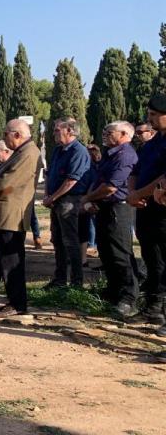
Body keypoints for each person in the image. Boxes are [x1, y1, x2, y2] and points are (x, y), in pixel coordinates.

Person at [0, 119, 41, 317]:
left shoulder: (29, 153)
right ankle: (13, 301)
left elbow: (7, 182)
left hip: (11, 215)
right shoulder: (22, 152)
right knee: (6, 259)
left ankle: (18, 303)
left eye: (6, 134)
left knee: (11, 260)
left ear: (16, 134)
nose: (4, 138)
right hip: (4, 214)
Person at [81, 122, 138, 318]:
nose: (104, 134)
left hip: (119, 208)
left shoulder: (126, 155)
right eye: (104, 131)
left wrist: (88, 198)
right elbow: (98, 181)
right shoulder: (109, 153)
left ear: (124, 134)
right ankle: (114, 291)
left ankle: (129, 297)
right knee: (106, 251)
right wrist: (91, 199)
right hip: (104, 207)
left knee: (121, 253)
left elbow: (112, 187)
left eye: (109, 132)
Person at [127, 95, 166, 329]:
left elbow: (164, 178)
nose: (149, 119)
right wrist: (133, 193)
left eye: (154, 115)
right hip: (145, 209)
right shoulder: (151, 144)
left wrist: (139, 193)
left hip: (162, 210)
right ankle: (153, 309)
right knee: (151, 259)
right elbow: (136, 170)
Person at [43, 118, 91, 288]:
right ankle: (60, 278)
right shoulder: (58, 150)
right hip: (56, 200)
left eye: (57, 130)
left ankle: (76, 281)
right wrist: (48, 194)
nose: (54, 133)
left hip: (70, 201)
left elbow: (72, 180)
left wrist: (53, 197)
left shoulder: (79, 151)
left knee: (70, 241)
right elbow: (50, 174)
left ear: (70, 131)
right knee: (57, 240)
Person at [78, 144, 102, 262]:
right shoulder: (89, 166)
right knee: (88, 225)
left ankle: (89, 249)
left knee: (88, 225)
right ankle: (91, 246)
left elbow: (93, 183)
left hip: (87, 199)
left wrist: (86, 199)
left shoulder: (91, 168)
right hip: (87, 199)